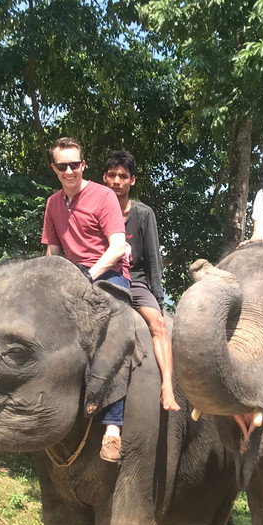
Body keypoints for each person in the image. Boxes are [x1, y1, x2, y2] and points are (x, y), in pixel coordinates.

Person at [41, 136, 128, 462]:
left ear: (83, 165)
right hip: (70, 278)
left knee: (114, 337)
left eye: (74, 165)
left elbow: (117, 247)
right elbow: (52, 253)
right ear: (55, 168)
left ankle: (113, 428)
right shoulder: (52, 203)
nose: (69, 171)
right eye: (62, 166)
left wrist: (89, 276)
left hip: (107, 276)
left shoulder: (104, 196)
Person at [102, 150, 180, 412]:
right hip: (105, 281)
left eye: (123, 176)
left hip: (134, 281)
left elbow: (153, 258)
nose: (117, 181)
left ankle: (167, 386)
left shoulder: (143, 214)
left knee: (159, 324)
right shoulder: (96, 211)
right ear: (104, 178)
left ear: (132, 180)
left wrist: (157, 297)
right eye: (112, 175)